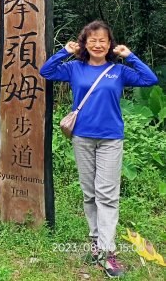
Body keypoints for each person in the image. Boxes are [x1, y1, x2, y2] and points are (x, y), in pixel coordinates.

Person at [40, 20, 158, 278]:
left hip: (110, 139)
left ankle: (107, 252)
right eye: (92, 40)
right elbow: (46, 72)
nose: (97, 44)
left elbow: (150, 79)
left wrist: (130, 56)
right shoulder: (74, 68)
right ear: (84, 43)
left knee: (107, 195)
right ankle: (95, 244)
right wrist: (64, 52)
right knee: (90, 193)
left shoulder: (118, 71)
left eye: (102, 40)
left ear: (110, 44)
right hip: (82, 137)